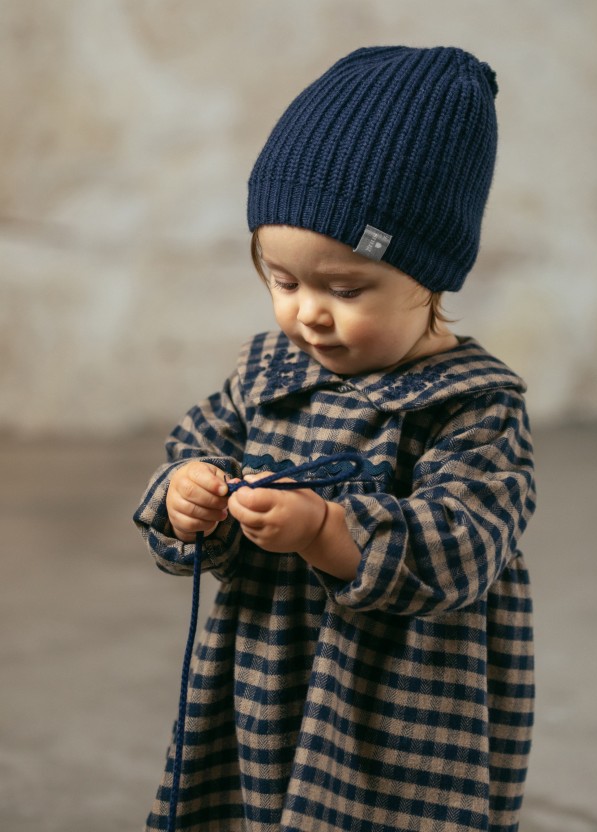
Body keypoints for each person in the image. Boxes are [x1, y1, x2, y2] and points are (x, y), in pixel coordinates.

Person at [134, 45, 536, 832]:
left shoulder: (474, 409)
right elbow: (195, 445)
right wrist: (188, 493)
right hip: (262, 671)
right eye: (283, 281)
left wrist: (327, 529)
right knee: (251, 804)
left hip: (404, 701)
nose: (307, 313)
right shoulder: (265, 374)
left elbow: (466, 542)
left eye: (345, 289)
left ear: (432, 278)